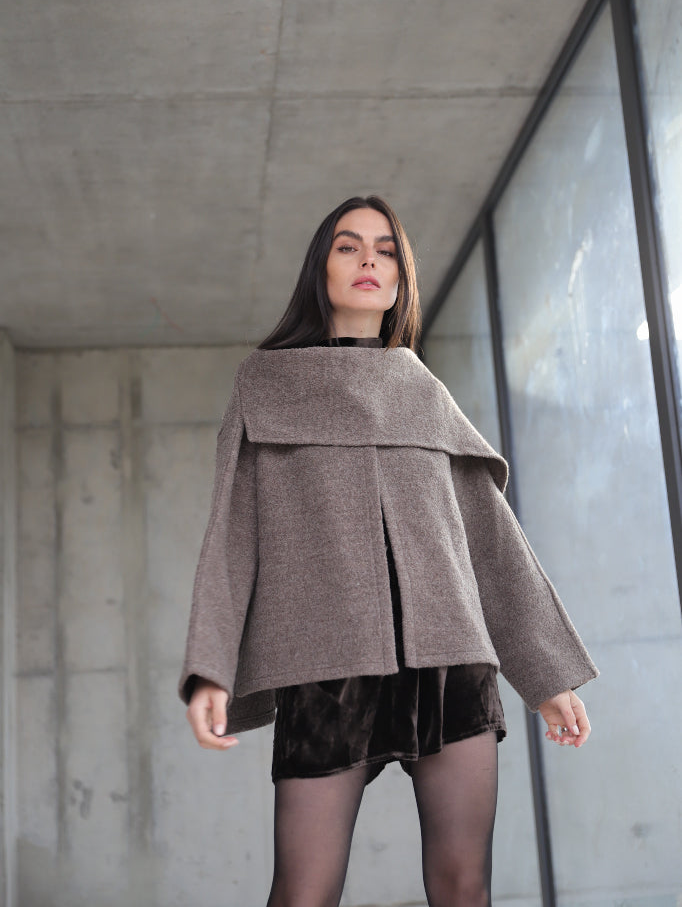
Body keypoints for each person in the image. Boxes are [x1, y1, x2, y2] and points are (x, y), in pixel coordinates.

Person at [179, 195, 598, 907]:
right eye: (348, 246)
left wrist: (546, 673)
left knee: (465, 888)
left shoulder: (423, 391)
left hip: (451, 664)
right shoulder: (265, 384)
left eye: (385, 250)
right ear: (321, 269)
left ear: (401, 278)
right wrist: (210, 668)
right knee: (303, 891)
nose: (368, 259)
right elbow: (231, 533)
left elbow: (490, 539)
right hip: (323, 665)